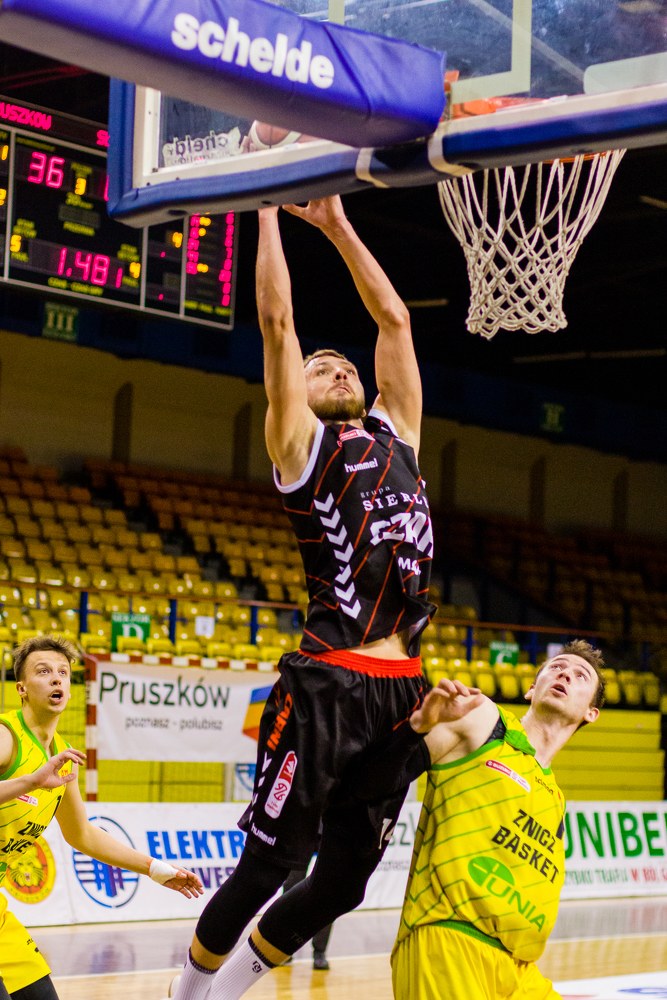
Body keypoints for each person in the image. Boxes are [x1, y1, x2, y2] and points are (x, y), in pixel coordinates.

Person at [168, 194, 434, 1000]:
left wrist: (337, 225)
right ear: (298, 393)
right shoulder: (299, 448)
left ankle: (227, 991)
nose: (338, 366)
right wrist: (266, 212)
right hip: (330, 680)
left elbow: (394, 322)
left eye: (343, 364)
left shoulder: (397, 435)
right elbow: (277, 324)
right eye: (321, 367)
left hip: (403, 687)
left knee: (345, 882)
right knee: (268, 865)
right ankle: (187, 994)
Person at [385, 639, 605, 1000]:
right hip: (449, 940)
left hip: (518, 968)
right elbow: (384, 775)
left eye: (580, 675)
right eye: (556, 667)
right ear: (531, 689)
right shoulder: (484, 721)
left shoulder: (555, 797)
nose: (565, 674)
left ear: (591, 713)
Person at [0, 634, 203, 1000]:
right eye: (43, 671)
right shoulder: (6, 736)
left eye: (63, 672)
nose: (56, 678)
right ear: (22, 689)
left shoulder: (63, 758)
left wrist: (154, 868)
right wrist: (30, 781)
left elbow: (83, 835)